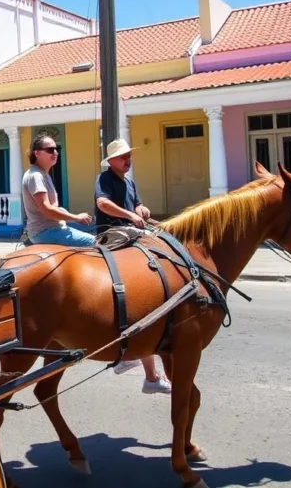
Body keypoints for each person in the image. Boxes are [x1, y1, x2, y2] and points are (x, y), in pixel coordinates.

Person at [95, 138, 171, 393]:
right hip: (112, 232)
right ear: (112, 161)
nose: (128, 160)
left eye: (129, 155)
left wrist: (142, 209)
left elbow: (136, 204)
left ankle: (150, 377)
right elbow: (102, 204)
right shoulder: (104, 179)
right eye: (123, 156)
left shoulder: (129, 181)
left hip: (130, 229)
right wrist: (130, 215)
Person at [21, 133, 94, 246]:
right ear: (37, 153)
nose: (55, 152)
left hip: (51, 229)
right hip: (45, 232)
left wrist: (64, 213)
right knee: (95, 242)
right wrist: (76, 218)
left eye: (57, 149)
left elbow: (49, 208)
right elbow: (47, 210)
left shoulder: (44, 174)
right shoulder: (35, 176)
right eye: (50, 150)